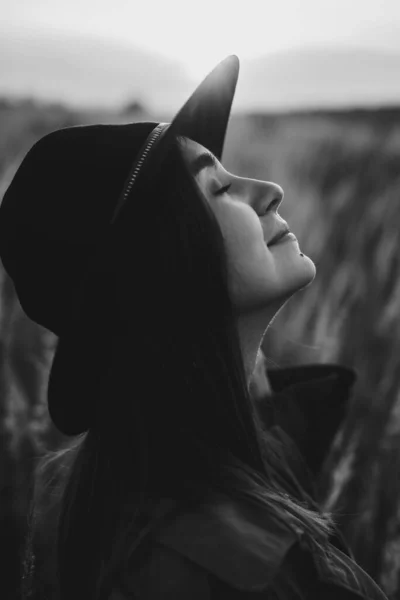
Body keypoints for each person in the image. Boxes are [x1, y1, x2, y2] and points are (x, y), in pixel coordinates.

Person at [0, 56, 389, 600]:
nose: (271, 189)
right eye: (219, 188)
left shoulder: (119, 480)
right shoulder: (224, 573)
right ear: (161, 263)